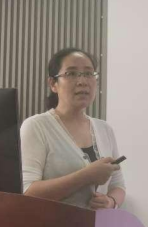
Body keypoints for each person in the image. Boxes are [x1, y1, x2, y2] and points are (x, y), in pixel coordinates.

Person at [20, 47, 125, 210]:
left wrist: (110, 201)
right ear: (53, 84)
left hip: (97, 225)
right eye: (71, 73)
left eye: (89, 73)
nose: (82, 81)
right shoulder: (36, 126)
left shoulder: (104, 129)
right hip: (52, 225)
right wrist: (86, 176)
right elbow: (28, 192)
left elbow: (118, 185)